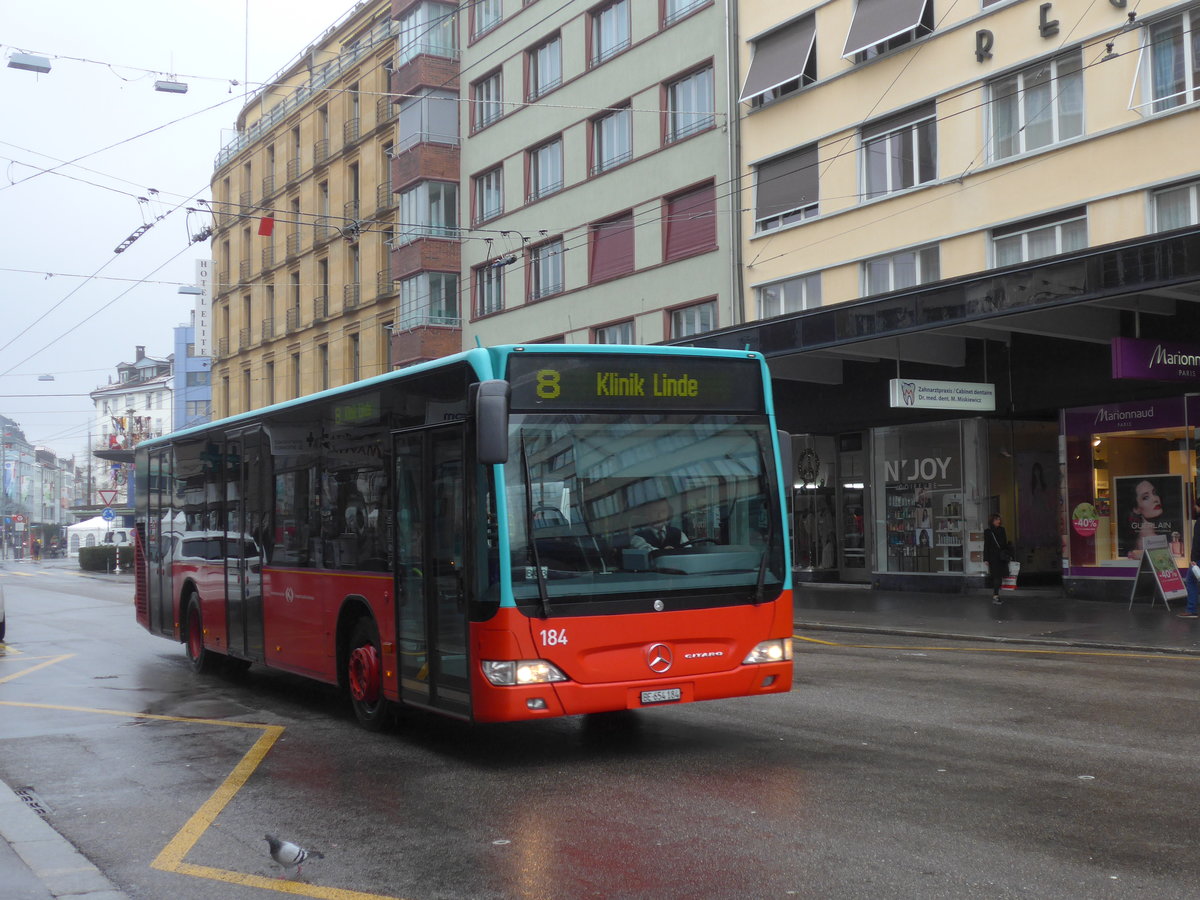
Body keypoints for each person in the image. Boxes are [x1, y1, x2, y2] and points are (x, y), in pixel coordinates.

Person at [1125, 478, 1164, 560]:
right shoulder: (1149, 538)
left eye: (1154, 493)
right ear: (1136, 509)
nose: (1155, 499)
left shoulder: (1149, 535)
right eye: (1146, 497)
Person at [1179, 495, 1200, 620]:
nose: (1195, 508)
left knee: (1191, 581)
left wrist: (1193, 559)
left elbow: (1197, 542)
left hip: (1199, 558)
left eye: (1196, 506)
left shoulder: (1199, 523)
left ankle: (1191, 609)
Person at [984, 513, 1010, 604]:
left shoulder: (1000, 530)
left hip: (999, 557)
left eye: (999, 519)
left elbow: (1004, 544)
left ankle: (996, 595)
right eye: (996, 520)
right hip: (995, 557)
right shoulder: (989, 532)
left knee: (998, 577)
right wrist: (986, 559)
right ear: (992, 521)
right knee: (997, 577)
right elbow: (986, 545)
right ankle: (995, 596)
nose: (998, 521)